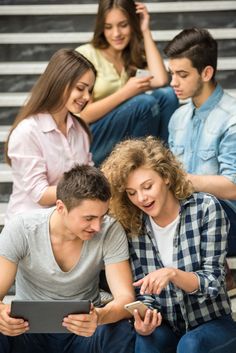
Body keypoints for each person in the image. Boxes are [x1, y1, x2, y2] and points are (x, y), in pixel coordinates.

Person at [101, 136, 236, 353]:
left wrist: (173, 274)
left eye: (147, 186)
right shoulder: (133, 224)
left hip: (212, 323)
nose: (142, 198)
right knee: (145, 341)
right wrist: (143, 322)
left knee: (191, 345)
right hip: (166, 324)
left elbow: (213, 282)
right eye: (131, 193)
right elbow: (145, 294)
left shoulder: (205, 208)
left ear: (165, 176)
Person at [0, 164, 135, 353]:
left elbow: (125, 298)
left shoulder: (110, 230)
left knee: (120, 329)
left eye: (102, 216)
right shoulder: (22, 228)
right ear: (61, 207)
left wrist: (100, 316)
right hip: (28, 331)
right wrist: (2, 316)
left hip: (85, 332)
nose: (97, 227)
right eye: (88, 218)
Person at [164, 28, 236, 295]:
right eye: (172, 73)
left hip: (228, 218)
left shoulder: (231, 119)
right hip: (189, 214)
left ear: (206, 73)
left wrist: (183, 182)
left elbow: (233, 186)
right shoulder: (178, 118)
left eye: (182, 75)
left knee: (199, 201)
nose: (173, 82)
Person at [76, 0, 179, 166]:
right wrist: (126, 92)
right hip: (93, 139)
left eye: (123, 25)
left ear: (133, 22)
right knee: (144, 102)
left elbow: (161, 79)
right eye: (108, 27)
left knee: (167, 96)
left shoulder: (132, 56)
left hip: (125, 136)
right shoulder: (86, 55)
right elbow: (84, 115)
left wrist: (145, 30)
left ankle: (164, 164)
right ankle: (140, 166)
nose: (116, 33)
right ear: (101, 27)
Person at [4, 48, 96, 221]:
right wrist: (88, 186)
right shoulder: (27, 131)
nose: (86, 97)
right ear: (60, 82)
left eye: (89, 90)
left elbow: (88, 175)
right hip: (28, 228)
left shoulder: (80, 129)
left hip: (66, 224)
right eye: (80, 88)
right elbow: (41, 194)